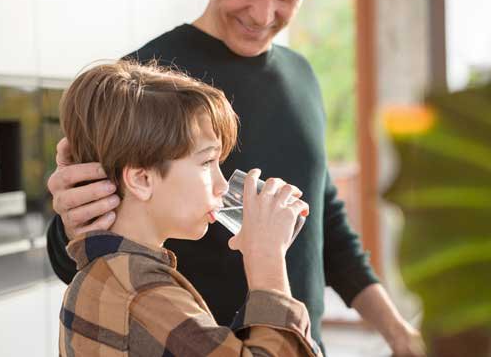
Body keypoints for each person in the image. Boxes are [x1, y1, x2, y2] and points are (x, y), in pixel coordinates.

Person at [47, 0, 425, 356]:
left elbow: (327, 228)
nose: (264, 14)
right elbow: (80, 257)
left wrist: (398, 333)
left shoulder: (302, 77)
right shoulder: (145, 87)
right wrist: (70, 221)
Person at [58, 60, 319, 356]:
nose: (222, 186)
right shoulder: (144, 296)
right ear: (142, 179)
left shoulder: (104, 275)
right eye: (207, 162)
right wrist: (267, 260)